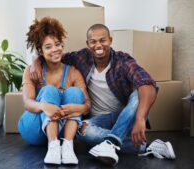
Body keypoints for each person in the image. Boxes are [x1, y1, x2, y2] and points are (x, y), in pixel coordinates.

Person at [30, 23, 176, 166]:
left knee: (139, 91)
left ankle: (110, 143)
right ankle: (147, 146)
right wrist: (36, 61)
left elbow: (148, 84)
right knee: (83, 132)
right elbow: (54, 54)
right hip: (97, 120)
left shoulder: (123, 61)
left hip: (124, 116)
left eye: (103, 40)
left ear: (110, 41)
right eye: (93, 42)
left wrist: (140, 118)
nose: (98, 45)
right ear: (88, 44)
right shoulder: (81, 57)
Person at [17, 17, 91, 165]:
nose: (55, 50)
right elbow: (27, 103)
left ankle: (67, 146)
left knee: (75, 93)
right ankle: (53, 146)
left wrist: (80, 108)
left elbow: (87, 103)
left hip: (63, 129)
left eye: (57, 44)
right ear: (40, 51)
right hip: (34, 127)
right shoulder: (32, 71)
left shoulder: (73, 72)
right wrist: (44, 106)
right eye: (48, 47)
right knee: (49, 90)